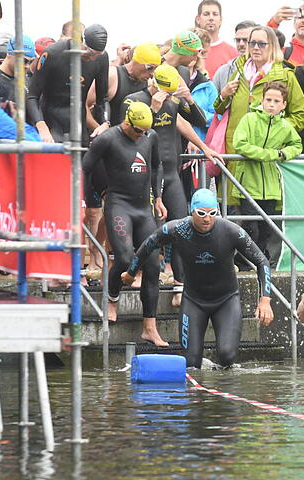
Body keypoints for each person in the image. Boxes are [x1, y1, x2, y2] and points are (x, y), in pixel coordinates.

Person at [122, 189, 274, 368]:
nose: (207, 219)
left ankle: (220, 389)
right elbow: (148, 245)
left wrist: (265, 299)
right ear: (192, 211)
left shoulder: (230, 231)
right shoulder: (178, 229)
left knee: (227, 356)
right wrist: (131, 273)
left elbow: (262, 261)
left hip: (226, 300)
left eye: (212, 214)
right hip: (194, 301)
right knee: (191, 363)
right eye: (201, 213)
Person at [125, 65, 220, 295]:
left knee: (183, 225)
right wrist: (152, 109)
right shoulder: (134, 101)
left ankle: (180, 284)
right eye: (163, 90)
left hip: (171, 173)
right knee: (148, 229)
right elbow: (130, 134)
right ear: (153, 82)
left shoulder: (173, 100)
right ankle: (139, 274)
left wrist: (204, 147)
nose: (166, 95)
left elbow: (191, 121)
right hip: (145, 174)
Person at [81, 101, 168, 347]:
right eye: (137, 131)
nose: (141, 135)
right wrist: (85, 200)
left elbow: (155, 166)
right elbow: (85, 168)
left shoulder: (150, 136)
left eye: (144, 131)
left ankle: (149, 327)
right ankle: (112, 297)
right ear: (127, 122)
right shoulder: (107, 139)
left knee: (152, 264)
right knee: (124, 257)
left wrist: (159, 198)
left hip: (143, 209)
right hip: (119, 205)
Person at [82, 42, 162, 273]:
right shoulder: (113, 75)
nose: (151, 74)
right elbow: (85, 107)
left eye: (154, 69)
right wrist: (103, 132)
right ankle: (96, 252)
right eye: (148, 68)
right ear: (135, 60)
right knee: (101, 208)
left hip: (131, 151)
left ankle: (104, 253)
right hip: (107, 149)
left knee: (116, 210)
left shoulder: (148, 83)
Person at [231, 81, 302, 264]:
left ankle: (260, 261)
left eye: (277, 101)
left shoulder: (285, 126)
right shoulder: (249, 119)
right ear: (261, 101)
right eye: (268, 99)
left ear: (284, 105)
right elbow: (240, 143)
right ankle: (243, 262)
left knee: (266, 228)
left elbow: (297, 145)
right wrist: (269, 154)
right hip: (247, 183)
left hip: (270, 186)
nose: (271, 104)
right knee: (250, 226)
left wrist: (283, 154)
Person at [214, 25, 304, 156]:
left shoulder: (286, 76)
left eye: (262, 44)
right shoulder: (238, 73)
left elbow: (301, 115)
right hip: (235, 151)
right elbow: (219, 111)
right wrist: (223, 95)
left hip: (268, 153)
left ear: (272, 46)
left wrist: (278, 129)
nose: (256, 48)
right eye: (252, 43)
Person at [27, 23, 109, 143]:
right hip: (50, 125)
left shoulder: (101, 59)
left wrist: (105, 123)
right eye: (90, 53)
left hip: (78, 129)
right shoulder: (52, 53)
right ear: (80, 42)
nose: (92, 58)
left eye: (97, 55)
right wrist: (41, 126)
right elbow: (32, 96)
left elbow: (103, 99)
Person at [194, 0, 237, 78]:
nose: (211, 18)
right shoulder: (188, 49)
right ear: (198, 19)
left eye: (215, 14)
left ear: (220, 20)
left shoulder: (233, 53)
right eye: (206, 14)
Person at [212, 20, 256, 94]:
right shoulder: (223, 71)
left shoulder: (265, 69)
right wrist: (223, 95)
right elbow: (212, 102)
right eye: (238, 40)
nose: (241, 44)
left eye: (245, 40)